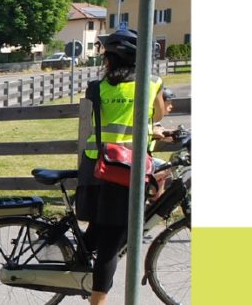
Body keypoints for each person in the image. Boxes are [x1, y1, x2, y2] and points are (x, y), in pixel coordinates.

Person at [75, 27, 167, 305]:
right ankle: (97, 301)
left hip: (94, 167)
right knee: (110, 246)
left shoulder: (97, 87)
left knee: (99, 231)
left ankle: (69, 261)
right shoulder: (151, 83)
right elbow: (158, 113)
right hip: (125, 172)